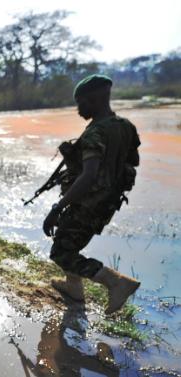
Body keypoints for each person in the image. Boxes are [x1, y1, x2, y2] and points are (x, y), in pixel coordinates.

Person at [43, 74, 141, 315]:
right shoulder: (126, 126)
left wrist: (57, 208)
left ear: (94, 99)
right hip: (108, 202)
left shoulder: (96, 133)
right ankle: (73, 287)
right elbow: (133, 161)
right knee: (67, 240)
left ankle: (116, 282)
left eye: (81, 103)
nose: (78, 109)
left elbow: (88, 176)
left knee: (61, 252)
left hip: (89, 203)